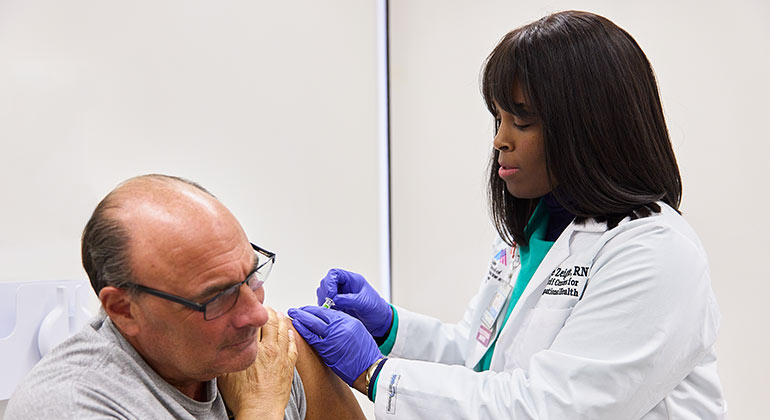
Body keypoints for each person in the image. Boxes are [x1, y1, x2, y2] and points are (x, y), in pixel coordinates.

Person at [289, 10, 727, 419]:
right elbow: (481, 358)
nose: (500, 140)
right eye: (497, 119)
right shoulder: (535, 234)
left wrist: (377, 373)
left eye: (523, 121)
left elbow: (548, 407)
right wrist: (390, 326)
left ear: (590, 127)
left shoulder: (655, 253)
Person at [5, 174, 365, 420]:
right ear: (123, 309)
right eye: (217, 297)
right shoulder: (69, 407)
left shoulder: (272, 351)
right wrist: (261, 410)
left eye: (251, 277)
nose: (255, 315)